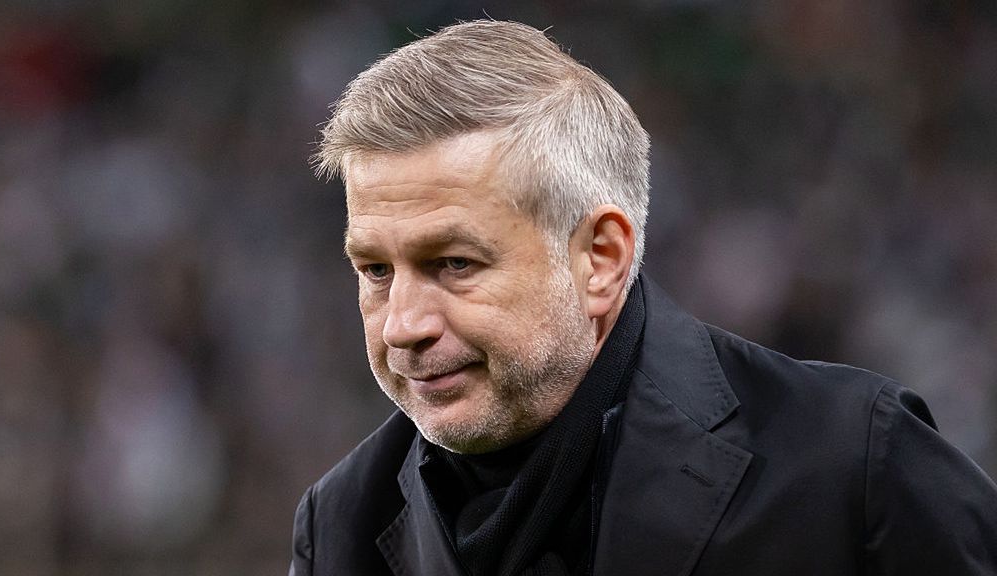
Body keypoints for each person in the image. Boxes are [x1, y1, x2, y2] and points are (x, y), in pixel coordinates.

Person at [289, 20, 997, 576]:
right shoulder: (340, 525)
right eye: (375, 270)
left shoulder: (853, 468)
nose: (403, 325)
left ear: (600, 260)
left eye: (453, 263)